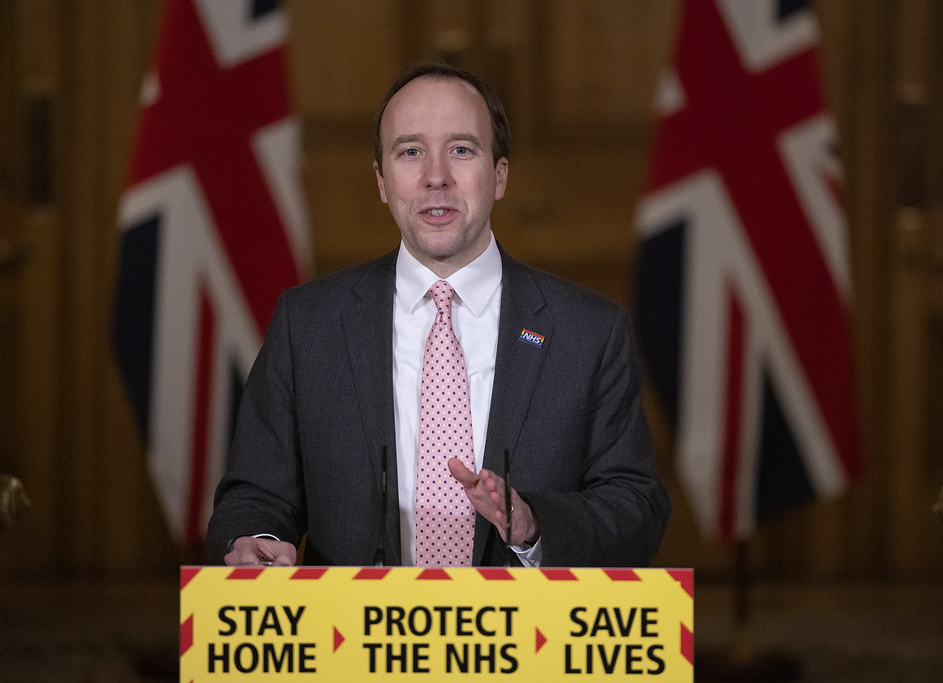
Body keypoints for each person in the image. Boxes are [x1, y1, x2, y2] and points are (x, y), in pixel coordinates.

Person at [207, 62, 670, 568]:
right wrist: (255, 539)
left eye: (461, 150)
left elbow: (636, 509)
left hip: (526, 639)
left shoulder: (589, 334)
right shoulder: (308, 325)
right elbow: (254, 495)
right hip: (352, 638)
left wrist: (535, 523)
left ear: (499, 175)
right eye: (410, 152)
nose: (435, 177)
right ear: (382, 181)